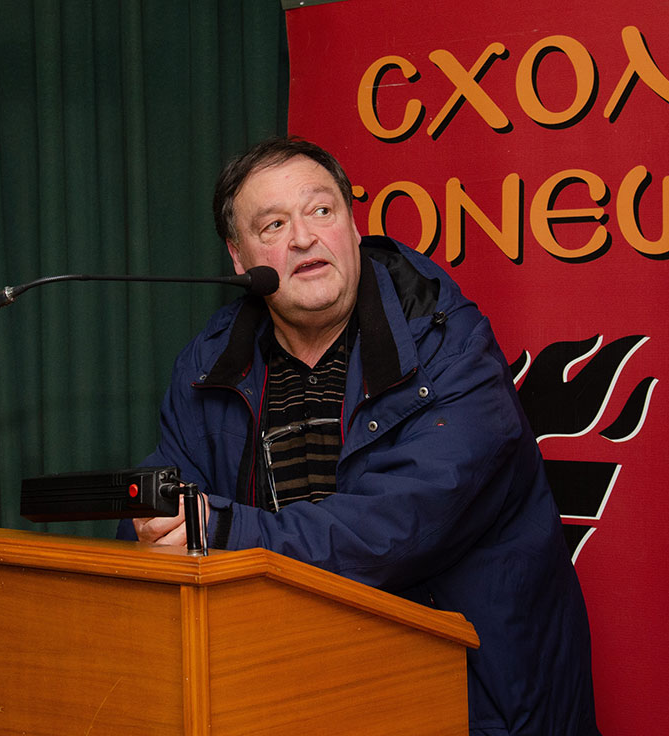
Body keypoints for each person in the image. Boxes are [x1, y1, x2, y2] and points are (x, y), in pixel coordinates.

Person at [117, 137, 599, 735]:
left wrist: (223, 531)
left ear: (352, 224)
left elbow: (395, 528)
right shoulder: (208, 364)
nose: (303, 238)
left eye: (321, 210)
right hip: (290, 694)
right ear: (240, 258)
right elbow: (166, 502)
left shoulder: (451, 345)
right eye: (273, 225)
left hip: (474, 703)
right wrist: (156, 525)